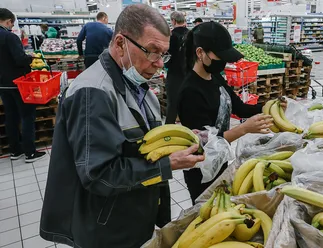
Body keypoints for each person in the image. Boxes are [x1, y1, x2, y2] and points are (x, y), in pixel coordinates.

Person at [40, 4, 204, 248]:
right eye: (152, 52)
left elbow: (142, 148)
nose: (159, 64)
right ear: (120, 44)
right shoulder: (92, 92)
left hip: (134, 214)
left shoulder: (140, 88)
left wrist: (177, 143)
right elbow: (99, 175)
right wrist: (167, 165)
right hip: (106, 227)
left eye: (163, 55)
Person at [177, 21, 286, 204]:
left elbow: (240, 108)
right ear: (200, 53)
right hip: (201, 169)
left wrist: (269, 106)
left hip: (220, 161)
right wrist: (244, 129)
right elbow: (204, 143)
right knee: (208, 213)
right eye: (220, 56)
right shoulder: (189, 91)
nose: (224, 62)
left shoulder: (216, 78)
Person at [0, 8, 46, 163]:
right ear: (8, 21)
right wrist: (30, 57)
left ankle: (15, 151)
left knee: (11, 117)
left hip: (2, 85)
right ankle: (30, 153)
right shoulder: (9, 37)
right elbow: (19, 60)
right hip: (18, 84)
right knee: (27, 115)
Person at [164, 11, 189, 124]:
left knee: (172, 105)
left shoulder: (170, 36)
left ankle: (168, 132)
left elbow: (166, 56)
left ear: (173, 21)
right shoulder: (192, 34)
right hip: (189, 75)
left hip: (174, 75)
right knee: (189, 104)